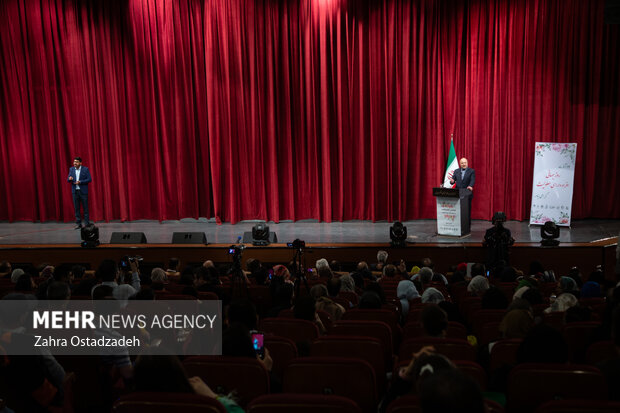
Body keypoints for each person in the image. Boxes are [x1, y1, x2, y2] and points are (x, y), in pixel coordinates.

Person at [67, 156, 92, 229]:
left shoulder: (85, 169)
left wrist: (80, 182)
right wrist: (70, 179)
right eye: (74, 162)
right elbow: (68, 180)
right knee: (76, 208)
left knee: (85, 208)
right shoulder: (71, 169)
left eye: (76, 162)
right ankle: (78, 223)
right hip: (75, 192)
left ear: (80, 163)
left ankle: (86, 223)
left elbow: (89, 179)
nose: (75, 163)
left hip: (83, 192)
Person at [450, 157, 475, 228]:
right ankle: (457, 223)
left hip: (467, 193)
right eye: (462, 163)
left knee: (467, 210)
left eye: (465, 163)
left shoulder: (471, 171)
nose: (464, 164)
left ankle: (467, 225)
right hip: (457, 193)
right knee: (457, 209)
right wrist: (451, 181)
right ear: (460, 164)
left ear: (467, 163)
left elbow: (472, 180)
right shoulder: (456, 171)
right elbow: (453, 180)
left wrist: (470, 186)